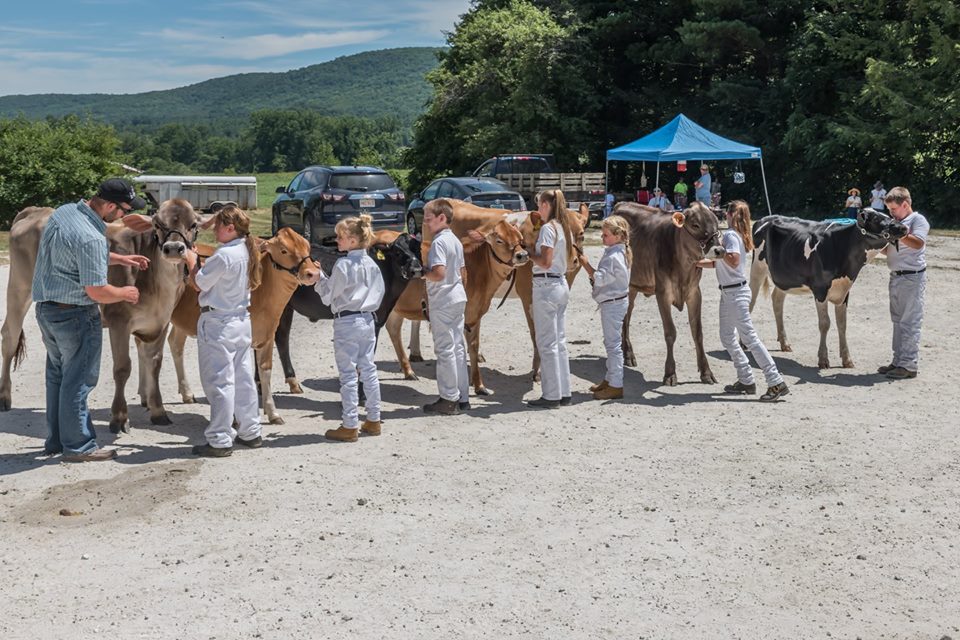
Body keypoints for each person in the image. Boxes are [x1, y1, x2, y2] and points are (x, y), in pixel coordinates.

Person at [31, 178, 149, 461]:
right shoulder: (91, 238)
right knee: (79, 381)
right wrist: (125, 292)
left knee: (58, 377)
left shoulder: (65, 213)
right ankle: (79, 447)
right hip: (75, 314)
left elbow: (78, 254)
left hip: (48, 310)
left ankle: (57, 441)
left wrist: (121, 260)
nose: (123, 216)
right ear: (109, 205)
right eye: (122, 210)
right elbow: (97, 291)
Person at [184, 205, 263, 457]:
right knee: (243, 378)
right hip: (241, 319)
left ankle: (219, 438)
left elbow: (198, 284)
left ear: (230, 228)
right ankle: (250, 430)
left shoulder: (224, 255)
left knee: (220, 381)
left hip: (218, 322)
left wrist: (192, 262)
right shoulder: (246, 250)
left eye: (218, 226)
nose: (214, 230)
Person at [698, 200, 790, 402]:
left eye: (725, 213)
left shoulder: (731, 235)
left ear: (730, 215)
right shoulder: (737, 235)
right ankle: (746, 378)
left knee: (749, 338)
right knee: (727, 337)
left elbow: (733, 259)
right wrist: (695, 262)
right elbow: (720, 264)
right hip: (729, 292)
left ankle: (775, 381)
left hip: (735, 294)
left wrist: (711, 250)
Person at [307, 214, 386, 439]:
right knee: (369, 370)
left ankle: (350, 423)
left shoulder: (343, 265)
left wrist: (319, 278)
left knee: (348, 374)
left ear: (352, 240)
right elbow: (379, 293)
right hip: (368, 318)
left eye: (340, 237)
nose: (337, 240)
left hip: (347, 320)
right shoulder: (372, 264)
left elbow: (328, 295)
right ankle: (373, 419)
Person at [421, 200, 470, 415]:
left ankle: (448, 398)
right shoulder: (455, 241)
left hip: (442, 299)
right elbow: (463, 272)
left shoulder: (439, 242)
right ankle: (463, 396)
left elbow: (438, 274)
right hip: (458, 296)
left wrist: (421, 272)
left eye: (428, 219)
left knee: (445, 349)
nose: (425, 223)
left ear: (442, 217)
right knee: (458, 347)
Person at [528, 189, 574, 408]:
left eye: (539, 205)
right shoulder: (563, 227)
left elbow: (545, 261)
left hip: (546, 284)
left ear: (546, 205)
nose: (538, 209)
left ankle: (551, 395)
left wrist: (529, 253)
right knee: (559, 341)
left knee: (547, 342)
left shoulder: (547, 228)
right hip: (560, 283)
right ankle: (564, 391)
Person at [577, 215, 631, 400]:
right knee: (611, 343)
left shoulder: (614, 256)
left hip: (613, 303)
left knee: (613, 345)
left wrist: (586, 265)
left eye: (605, 235)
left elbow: (601, 279)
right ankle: (610, 379)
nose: (602, 238)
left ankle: (616, 384)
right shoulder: (617, 252)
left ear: (617, 236)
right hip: (615, 302)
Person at [878, 187, 928, 380]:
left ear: (905, 204)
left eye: (893, 209)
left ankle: (908, 365)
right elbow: (889, 250)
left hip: (912, 277)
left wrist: (900, 234)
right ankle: (898, 361)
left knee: (910, 322)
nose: (891, 213)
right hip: (897, 277)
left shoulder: (917, 220)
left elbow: (918, 243)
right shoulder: (896, 223)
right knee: (898, 321)